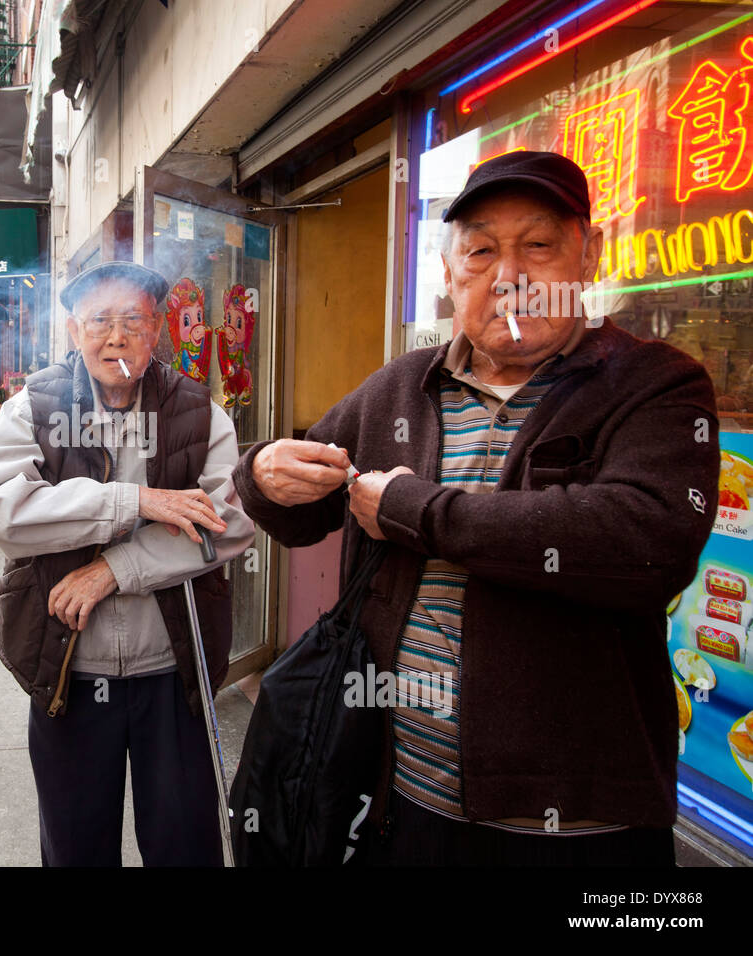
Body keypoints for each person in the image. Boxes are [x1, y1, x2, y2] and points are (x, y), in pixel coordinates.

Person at [233, 151, 720, 866]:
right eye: (482, 251)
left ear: (590, 255)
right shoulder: (400, 386)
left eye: (539, 245)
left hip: (580, 827)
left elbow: (648, 539)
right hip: (403, 801)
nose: (509, 275)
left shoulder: (655, 384)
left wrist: (414, 508)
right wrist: (261, 474)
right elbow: (307, 511)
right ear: (449, 272)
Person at [0, 261, 255, 866]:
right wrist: (133, 502)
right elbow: (1, 508)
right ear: (75, 331)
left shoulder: (200, 412)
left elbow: (230, 523)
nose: (116, 337)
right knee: (77, 845)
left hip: (171, 668)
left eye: (134, 321)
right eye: (100, 320)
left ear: (158, 332)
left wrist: (117, 568)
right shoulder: (35, 406)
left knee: (185, 843)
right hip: (68, 670)